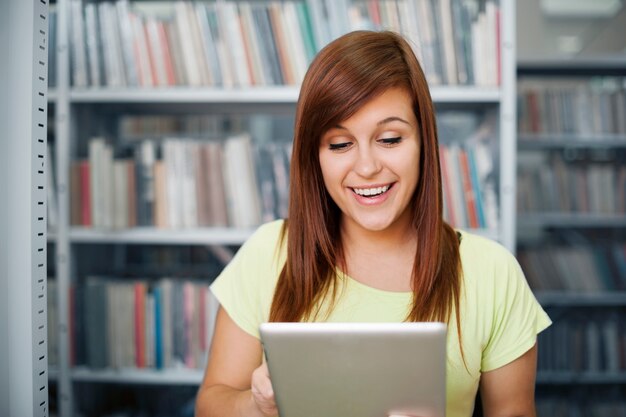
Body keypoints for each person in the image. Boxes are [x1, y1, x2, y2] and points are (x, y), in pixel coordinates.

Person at [195, 30, 551, 417]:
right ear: (313, 156)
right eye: (340, 144)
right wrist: (256, 404)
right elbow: (211, 403)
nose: (366, 167)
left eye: (390, 138)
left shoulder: (491, 272)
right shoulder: (269, 253)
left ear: (423, 143)